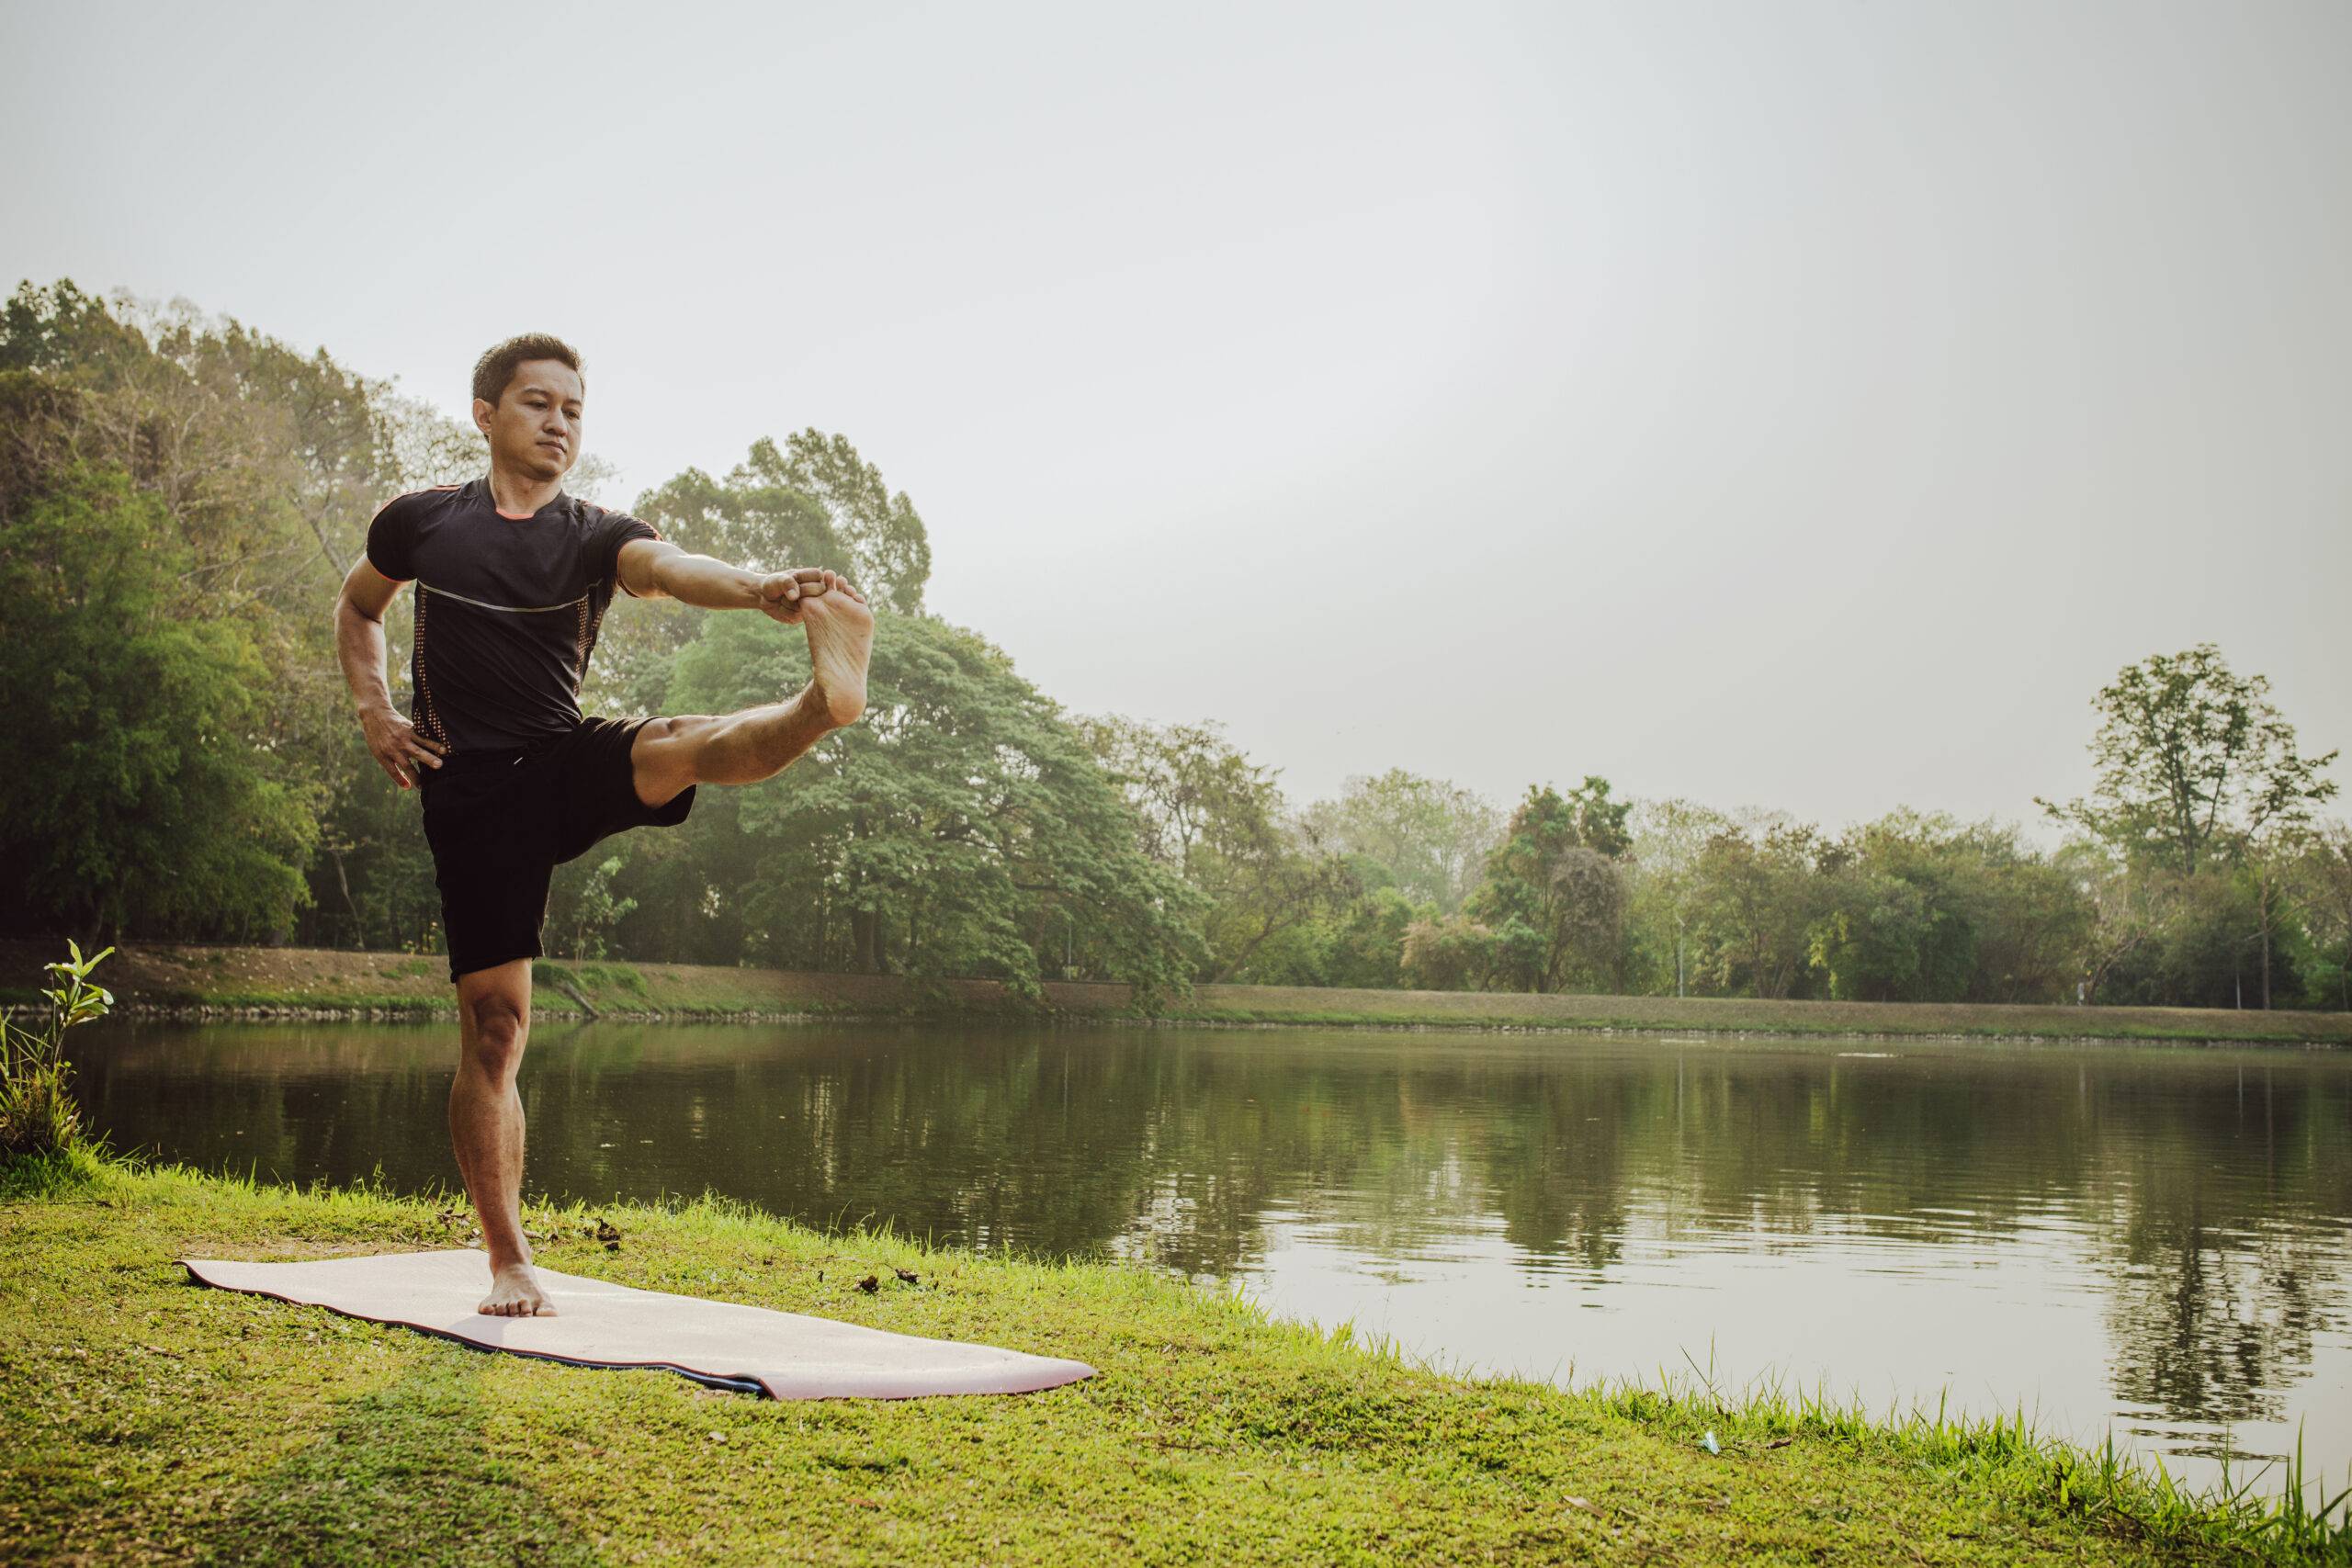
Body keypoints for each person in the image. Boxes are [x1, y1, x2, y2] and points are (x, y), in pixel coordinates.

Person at [333, 333, 874, 1317]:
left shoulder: (591, 533)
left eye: (574, 410)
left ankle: (821, 705)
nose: (559, 423)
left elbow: (666, 568)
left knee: (678, 741)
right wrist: (375, 711)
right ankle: (508, 1260)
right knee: (495, 1031)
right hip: (471, 791)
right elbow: (359, 607)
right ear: (486, 413)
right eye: (538, 404)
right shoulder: (418, 524)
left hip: (560, 757)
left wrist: (755, 588)